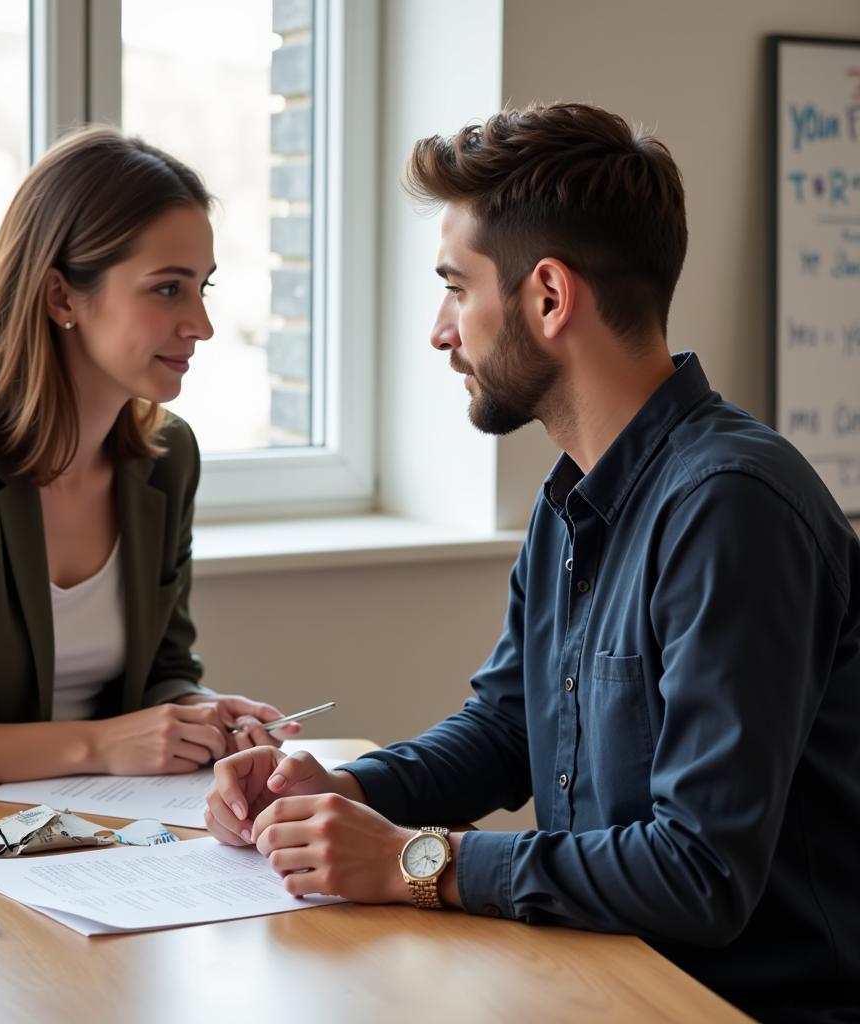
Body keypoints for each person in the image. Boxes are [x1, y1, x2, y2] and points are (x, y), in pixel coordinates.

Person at [205, 103, 860, 1023]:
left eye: (455, 289)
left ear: (548, 298)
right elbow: (512, 729)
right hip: (597, 979)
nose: (442, 332)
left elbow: (701, 871)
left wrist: (411, 861)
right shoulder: (575, 496)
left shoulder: (733, 507)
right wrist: (344, 789)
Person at [0, 127, 297, 796]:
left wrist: (200, 715)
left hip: (113, 836)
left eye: (203, 287)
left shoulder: (168, 458)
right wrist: (99, 745)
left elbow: (163, 670)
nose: (201, 323)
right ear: (61, 297)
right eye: (168, 289)